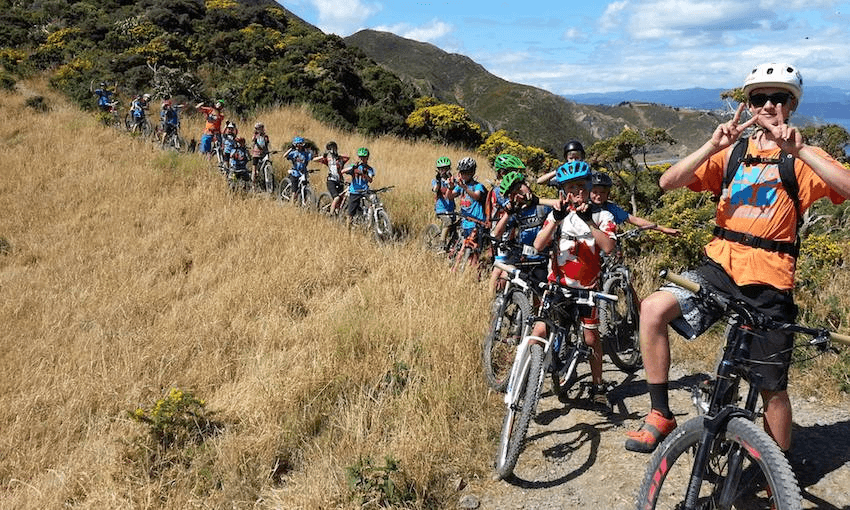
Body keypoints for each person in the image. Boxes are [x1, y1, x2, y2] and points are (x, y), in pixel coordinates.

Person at [625, 62, 850, 454]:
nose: (767, 105)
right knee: (653, 309)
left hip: (770, 280)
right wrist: (713, 145)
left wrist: (800, 152)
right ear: (748, 105)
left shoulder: (802, 156)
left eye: (777, 98)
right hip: (719, 270)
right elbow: (667, 182)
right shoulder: (733, 152)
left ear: (791, 105)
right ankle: (660, 412)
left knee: (771, 389)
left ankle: (777, 471)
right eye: (758, 98)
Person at [531, 160, 617, 408]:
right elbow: (539, 245)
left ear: (590, 187)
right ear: (562, 191)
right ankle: (528, 386)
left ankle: (598, 385)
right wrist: (557, 219)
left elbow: (609, 248)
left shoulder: (603, 215)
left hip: (587, 289)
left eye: (581, 186)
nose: (576, 192)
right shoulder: (558, 215)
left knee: (591, 339)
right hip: (558, 286)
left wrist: (589, 221)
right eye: (570, 187)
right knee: (538, 333)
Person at [490, 169, 554, 293]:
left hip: (541, 258)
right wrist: (508, 213)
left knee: (539, 294)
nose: (520, 194)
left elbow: (561, 206)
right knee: (503, 275)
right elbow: (496, 234)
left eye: (520, 188)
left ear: (526, 185)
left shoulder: (543, 206)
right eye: (514, 194)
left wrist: (537, 201)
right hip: (521, 257)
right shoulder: (517, 211)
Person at [589, 171, 680, 235]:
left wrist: (663, 229)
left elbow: (634, 220)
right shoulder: (584, 207)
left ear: (608, 194)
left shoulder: (611, 208)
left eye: (602, 192)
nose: (598, 196)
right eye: (595, 192)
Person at [446, 157, 487, 270]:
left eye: (466, 173)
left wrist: (465, 187)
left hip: (476, 224)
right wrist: (450, 187)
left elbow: (477, 196)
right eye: (461, 172)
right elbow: (449, 196)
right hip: (465, 223)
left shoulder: (477, 186)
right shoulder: (460, 187)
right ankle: (457, 269)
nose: (463, 175)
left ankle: (468, 271)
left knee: (473, 251)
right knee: (462, 248)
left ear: (472, 173)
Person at [342, 147, 375, 225]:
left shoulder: (369, 169)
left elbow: (370, 180)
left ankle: (371, 219)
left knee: (374, 201)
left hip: (365, 190)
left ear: (367, 157)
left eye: (364, 157)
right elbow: (342, 171)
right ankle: (348, 230)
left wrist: (363, 174)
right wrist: (353, 167)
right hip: (355, 191)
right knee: (350, 214)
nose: (362, 159)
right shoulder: (354, 166)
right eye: (361, 157)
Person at [315, 141, 350, 215]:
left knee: (341, 199)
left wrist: (338, 155)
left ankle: (337, 213)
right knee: (336, 198)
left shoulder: (340, 159)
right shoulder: (328, 159)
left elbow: (348, 157)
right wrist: (324, 155)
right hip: (331, 181)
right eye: (331, 149)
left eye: (334, 148)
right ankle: (331, 214)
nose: (333, 150)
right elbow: (314, 160)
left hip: (340, 181)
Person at [431, 156, 456, 249]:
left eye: (446, 168)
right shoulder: (435, 181)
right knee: (448, 222)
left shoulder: (452, 180)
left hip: (451, 208)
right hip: (441, 209)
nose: (443, 171)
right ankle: (441, 245)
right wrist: (438, 181)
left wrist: (451, 181)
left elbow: (455, 189)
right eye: (441, 169)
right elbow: (435, 189)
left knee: (454, 227)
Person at [250, 122, 272, 187]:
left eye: (261, 128)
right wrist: (256, 135)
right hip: (256, 154)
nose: (260, 130)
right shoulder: (255, 136)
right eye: (258, 128)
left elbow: (267, 144)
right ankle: (253, 185)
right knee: (254, 170)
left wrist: (269, 151)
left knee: (267, 163)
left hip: (264, 153)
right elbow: (253, 140)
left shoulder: (265, 136)